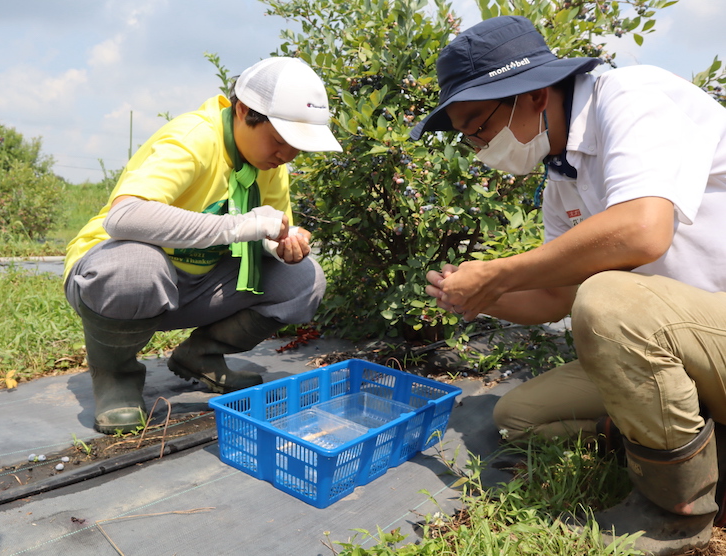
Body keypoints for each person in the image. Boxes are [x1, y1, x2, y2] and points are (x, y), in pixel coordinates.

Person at [411, 15, 726, 555]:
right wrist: (480, 296)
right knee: (517, 418)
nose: (476, 145)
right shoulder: (562, 179)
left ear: (531, 94)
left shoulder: (632, 97)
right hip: (671, 345)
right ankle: (693, 439)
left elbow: (644, 229)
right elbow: (555, 295)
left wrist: (499, 270)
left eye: (477, 125)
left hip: (712, 327)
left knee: (605, 299)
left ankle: (674, 512)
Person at [64, 57, 342, 436]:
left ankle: (201, 356)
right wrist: (241, 225)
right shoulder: (194, 137)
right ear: (243, 111)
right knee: (137, 268)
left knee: (304, 280)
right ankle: (115, 376)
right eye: (280, 141)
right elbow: (123, 218)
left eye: (297, 147)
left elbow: (262, 233)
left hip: (193, 285)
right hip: (118, 278)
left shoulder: (269, 164)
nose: (287, 156)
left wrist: (280, 245)